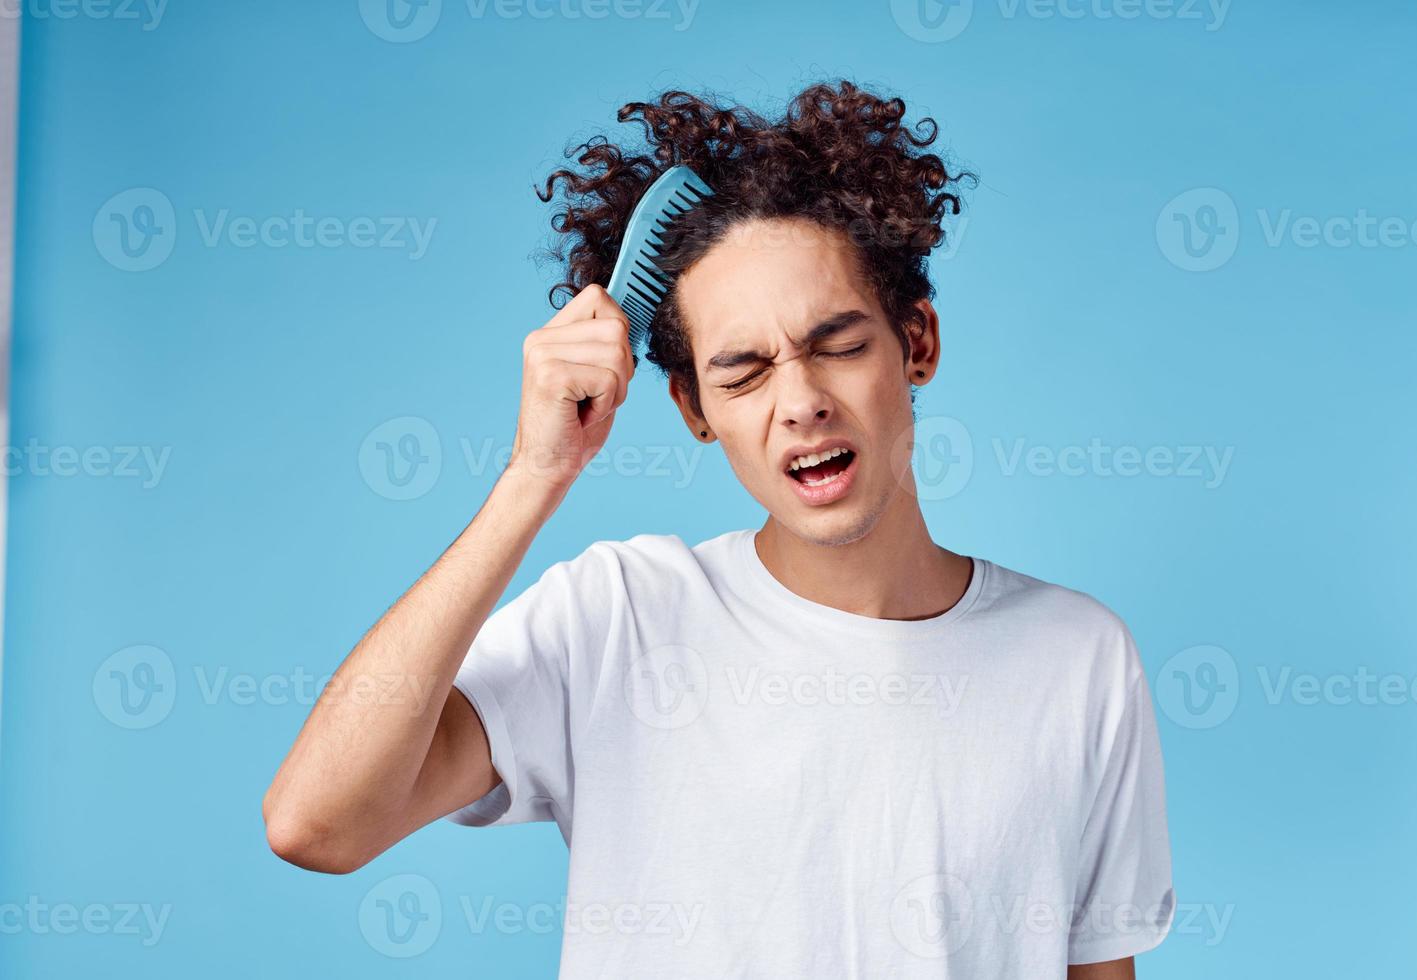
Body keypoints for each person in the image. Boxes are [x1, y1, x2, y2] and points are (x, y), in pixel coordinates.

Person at [262, 80, 1175, 978]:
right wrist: (534, 478)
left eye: (840, 345)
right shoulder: (618, 618)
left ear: (919, 344)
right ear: (695, 410)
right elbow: (318, 824)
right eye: (743, 373)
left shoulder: (1077, 655)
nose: (802, 403)